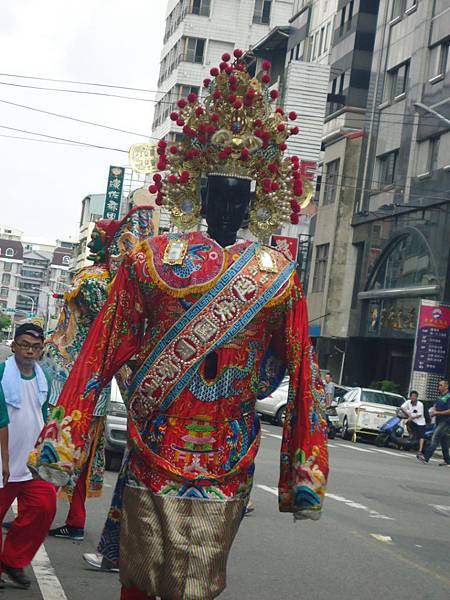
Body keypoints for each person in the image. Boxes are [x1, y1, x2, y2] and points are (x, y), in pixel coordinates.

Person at [30, 51, 328, 600]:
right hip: (154, 440)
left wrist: (299, 462)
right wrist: (67, 437)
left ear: (257, 199)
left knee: (202, 576)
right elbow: (101, 349)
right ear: (197, 189)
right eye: (219, 191)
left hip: (230, 447)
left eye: (241, 195)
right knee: (142, 573)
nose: (230, 204)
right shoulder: (150, 259)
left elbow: (296, 370)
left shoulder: (275, 275)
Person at [44, 207, 154, 542]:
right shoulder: (100, 282)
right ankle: (57, 514)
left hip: (80, 377)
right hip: (77, 374)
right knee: (69, 445)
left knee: (70, 445)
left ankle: (53, 515)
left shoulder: (101, 282)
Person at [0, 323, 56, 589]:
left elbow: (43, 417)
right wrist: (4, 459)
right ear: (14, 346)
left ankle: (11, 560)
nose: (29, 351)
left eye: (35, 346)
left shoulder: (42, 378)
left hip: (32, 463)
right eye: (24, 344)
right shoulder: (2, 373)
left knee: (44, 507)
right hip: (3, 462)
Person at [417, 379, 450, 466]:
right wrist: (433, 412)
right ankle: (447, 460)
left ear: (446, 386)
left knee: (435, 438)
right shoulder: (440, 397)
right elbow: (435, 406)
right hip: (438, 421)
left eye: (441, 385)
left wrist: (437, 413)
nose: (439, 387)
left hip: (446, 421)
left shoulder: (449, 397)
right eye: (439, 385)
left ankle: (426, 457)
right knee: (444, 441)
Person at [401, 391, 426, 456]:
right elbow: (402, 407)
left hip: (420, 422)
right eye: (412, 396)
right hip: (412, 420)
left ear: (417, 397)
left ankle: (420, 450)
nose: (413, 397)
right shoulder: (408, 402)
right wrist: (408, 414)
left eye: (414, 396)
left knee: (421, 436)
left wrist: (411, 417)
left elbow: (420, 414)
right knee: (406, 422)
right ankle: (411, 435)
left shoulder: (420, 404)